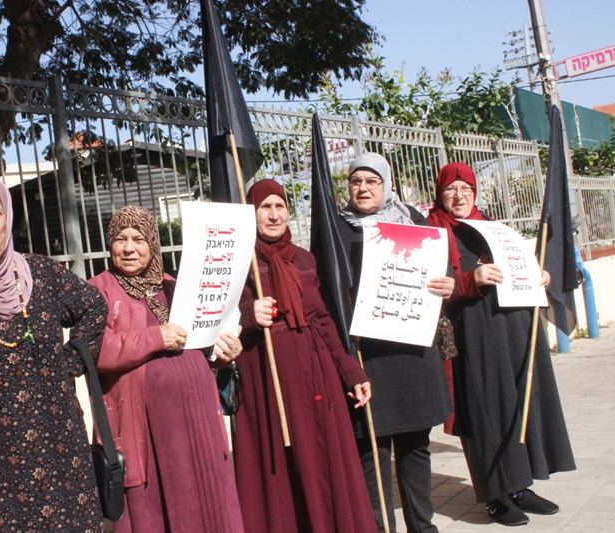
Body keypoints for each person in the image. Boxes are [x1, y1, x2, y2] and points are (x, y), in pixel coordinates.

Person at [0, 173, 108, 531]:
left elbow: (94, 307)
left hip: (61, 451)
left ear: (7, 218)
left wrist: (69, 362)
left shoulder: (41, 274)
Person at [427, 162, 575, 527]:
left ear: (475, 192)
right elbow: (430, 284)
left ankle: (519, 486)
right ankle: (495, 494)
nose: (459, 196)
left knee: (517, 406)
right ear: (439, 193)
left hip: (512, 329)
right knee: (485, 410)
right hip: (472, 335)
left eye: (466, 189)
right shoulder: (431, 232)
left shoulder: (493, 226)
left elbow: (517, 265)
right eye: (451, 189)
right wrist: (470, 279)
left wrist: (537, 274)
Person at [88, 205, 244, 533]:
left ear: (153, 244)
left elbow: (203, 347)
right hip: (145, 432)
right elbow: (97, 350)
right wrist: (156, 337)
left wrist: (223, 355)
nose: (128, 248)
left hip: (197, 425)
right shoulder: (99, 290)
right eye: (120, 239)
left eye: (138, 239)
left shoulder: (174, 286)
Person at [234, 178, 376, 533]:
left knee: (323, 461)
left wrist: (351, 372)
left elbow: (323, 319)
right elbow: (217, 316)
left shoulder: (304, 259)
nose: (273, 215)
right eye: (264, 207)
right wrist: (248, 314)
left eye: (279, 206)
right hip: (267, 379)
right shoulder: (238, 260)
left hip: (316, 377)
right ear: (251, 213)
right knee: (282, 468)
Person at [338, 153, 453, 533]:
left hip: (413, 354)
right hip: (368, 358)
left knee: (415, 446)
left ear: (386, 185)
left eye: (372, 181)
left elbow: (442, 269)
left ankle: (423, 527)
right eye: (356, 181)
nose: (363, 188)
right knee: (373, 450)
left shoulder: (413, 222)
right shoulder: (338, 230)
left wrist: (447, 283)